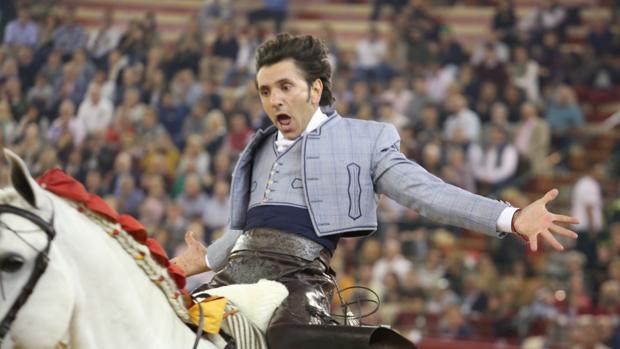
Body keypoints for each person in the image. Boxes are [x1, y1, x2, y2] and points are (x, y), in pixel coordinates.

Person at [171, 33, 579, 347]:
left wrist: (511, 217)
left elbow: (426, 192)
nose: (274, 100)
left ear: (315, 89)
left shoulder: (365, 139)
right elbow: (238, 232)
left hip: (300, 276)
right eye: (264, 91)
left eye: (285, 87)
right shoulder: (255, 149)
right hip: (233, 270)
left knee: (290, 339)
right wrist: (204, 258)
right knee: (172, 320)